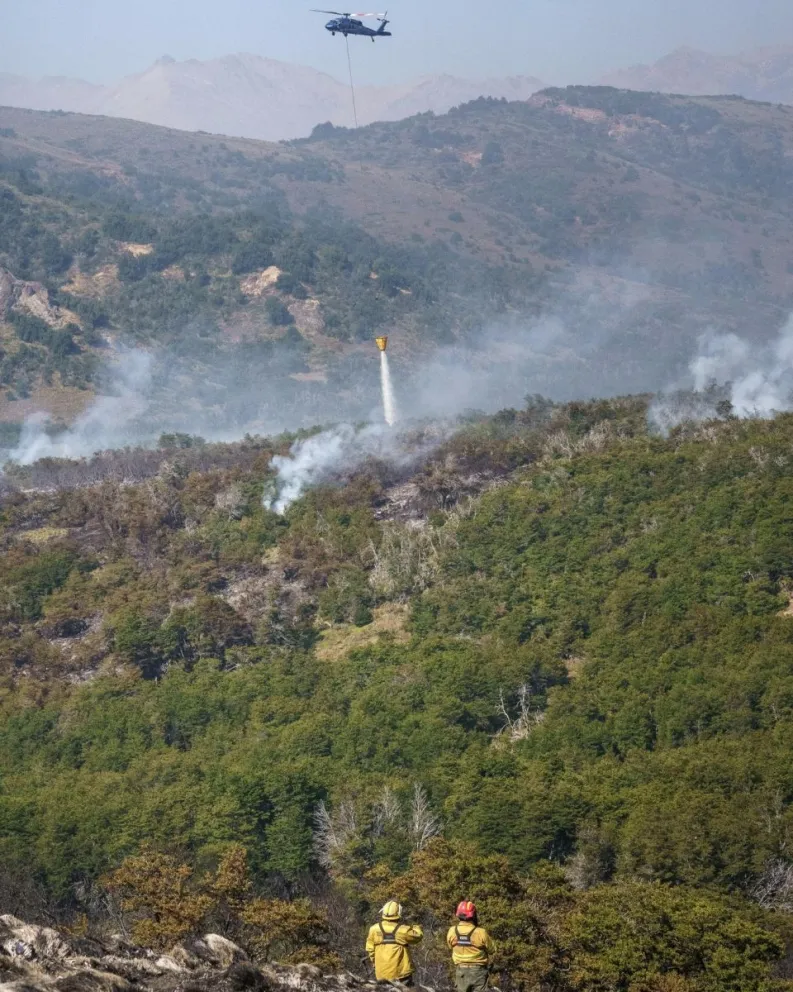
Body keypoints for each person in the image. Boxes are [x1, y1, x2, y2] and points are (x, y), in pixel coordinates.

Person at [366, 900, 423, 985]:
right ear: (398, 913)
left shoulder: (373, 929)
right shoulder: (403, 930)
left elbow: (370, 949)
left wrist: (375, 963)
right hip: (401, 976)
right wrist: (416, 926)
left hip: (381, 974)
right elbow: (418, 936)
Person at [446, 901, 494, 992]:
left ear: (458, 914)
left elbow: (450, 946)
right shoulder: (480, 932)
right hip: (478, 972)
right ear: (473, 915)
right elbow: (492, 950)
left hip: (461, 972)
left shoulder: (452, 931)